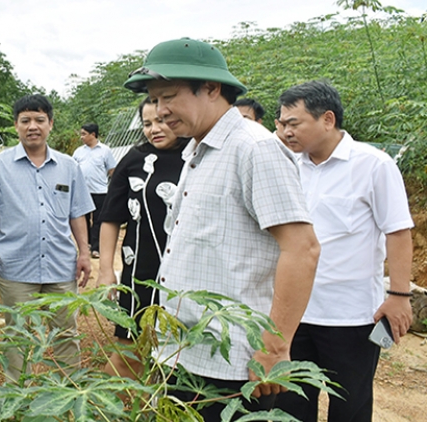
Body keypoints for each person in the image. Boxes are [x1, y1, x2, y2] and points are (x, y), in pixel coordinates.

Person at [122, 38, 320, 420]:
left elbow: (303, 249)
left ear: (211, 88)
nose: (160, 112)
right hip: (185, 352)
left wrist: (274, 347)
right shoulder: (196, 150)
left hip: (231, 364)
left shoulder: (253, 148)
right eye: (155, 101)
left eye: (168, 97)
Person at [274, 80, 414, 422]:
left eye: (294, 123)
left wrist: (398, 295)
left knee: (350, 408)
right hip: (294, 315)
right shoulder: (287, 167)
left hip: (349, 318)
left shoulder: (373, 165)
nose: (285, 132)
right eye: (281, 124)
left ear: (327, 119)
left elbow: (397, 230)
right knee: (291, 406)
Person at [0, 94, 95, 383]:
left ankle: (65, 392)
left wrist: (85, 252)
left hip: (61, 265)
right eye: (25, 120)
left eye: (40, 120)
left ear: (50, 124)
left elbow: (78, 213)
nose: (32, 126)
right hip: (15, 266)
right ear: (16, 126)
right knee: (17, 335)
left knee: (65, 332)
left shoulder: (68, 166)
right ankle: (18, 394)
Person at [98, 97, 188, 381]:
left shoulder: (199, 156)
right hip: (141, 272)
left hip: (188, 274)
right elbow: (111, 217)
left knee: (180, 361)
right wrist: (104, 271)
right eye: (147, 123)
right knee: (129, 352)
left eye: (161, 121)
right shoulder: (135, 159)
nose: (154, 129)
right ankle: (103, 409)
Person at [72, 123, 117, 258]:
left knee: (98, 220)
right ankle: (87, 244)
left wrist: (115, 189)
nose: (81, 137)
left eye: (84, 134)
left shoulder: (105, 151)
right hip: (82, 191)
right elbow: (73, 170)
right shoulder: (79, 152)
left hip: (100, 191)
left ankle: (96, 248)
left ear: (93, 134)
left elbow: (112, 170)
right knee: (83, 220)